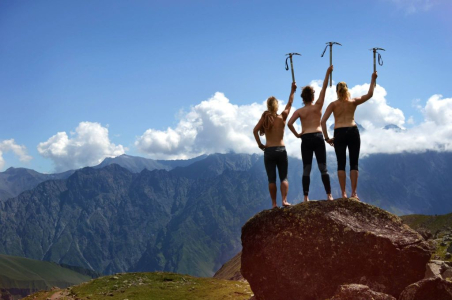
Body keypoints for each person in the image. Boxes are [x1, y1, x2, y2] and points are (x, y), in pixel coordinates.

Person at [321, 71, 378, 200]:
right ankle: (354, 193)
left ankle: (343, 194)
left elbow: (322, 121)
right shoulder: (353, 102)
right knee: (354, 163)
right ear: (347, 90)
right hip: (353, 131)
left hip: (339, 133)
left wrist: (326, 138)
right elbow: (370, 94)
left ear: (337, 91)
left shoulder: (333, 105)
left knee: (341, 164)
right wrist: (373, 79)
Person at [288, 66, 334, 202]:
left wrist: (297, 134)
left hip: (306, 138)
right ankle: (329, 195)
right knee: (323, 167)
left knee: (306, 168)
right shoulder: (318, 105)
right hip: (319, 137)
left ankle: (305, 197)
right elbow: (324, 88)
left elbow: (289, 123)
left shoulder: (300, 111)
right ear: (313, 97)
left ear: (302, 98)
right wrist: (327, 73)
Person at [253, 82, 297, 208]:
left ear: (268, 106)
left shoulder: (265, 119)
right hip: (281, 149)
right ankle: (284, 201)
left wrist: (260, 144)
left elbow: (255, 130)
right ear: (277, 106)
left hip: (269, 151)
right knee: (284, 177)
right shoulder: (282, 116)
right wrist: (292, 90)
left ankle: (274, 204)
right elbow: (289, 103)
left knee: (271, 179)